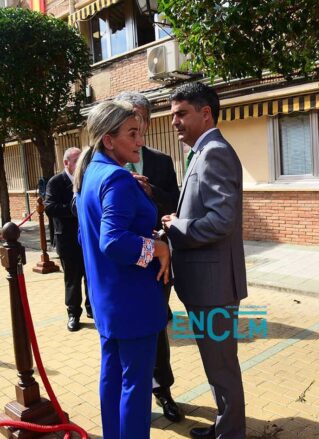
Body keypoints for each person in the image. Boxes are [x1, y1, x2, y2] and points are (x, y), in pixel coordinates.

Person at [73, 100, 170, 438]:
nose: (140, 141)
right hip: (133, 301)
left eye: (140, 132)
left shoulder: (92, 174)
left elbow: (87, 236)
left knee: (113, 378)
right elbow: (113, 241)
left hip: (108, 299)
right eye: (132, 133)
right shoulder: (116, 178)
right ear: (108, 140)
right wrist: (157, 247)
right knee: (135, 386)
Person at [163, 82, 248, 439]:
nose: (175, 122)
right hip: (205, 285)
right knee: (216, 366)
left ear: (206, 113)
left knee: (222, 366)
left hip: (214, 288)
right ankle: (225, 425)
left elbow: (221, 220)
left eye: (181, 114)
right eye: (173, 115)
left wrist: (177, 227)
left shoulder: (215, 152)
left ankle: (231, 433)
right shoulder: (201, 151)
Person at [115, 91, 182, 422]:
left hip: (158, 259)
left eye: (141, 118)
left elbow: (175, 202)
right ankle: (130, 394)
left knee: (156, 326)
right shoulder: (103, 162)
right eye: (130, 117)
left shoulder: (161, 161)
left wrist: (149, 191)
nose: (136, 125)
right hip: (121, 261)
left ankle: (162, 389)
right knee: (124, 331)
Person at [44, 147, 92, 332]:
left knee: (90, 276)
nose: (81, 164)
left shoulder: (86, 179)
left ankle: (91, 308)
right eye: (77, 160)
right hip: (67, 240)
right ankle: (73, 314)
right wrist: (74, 209)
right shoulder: (56, 182)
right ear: (66, 163)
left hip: (87, 238)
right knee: (72, 278)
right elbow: (50, 207)